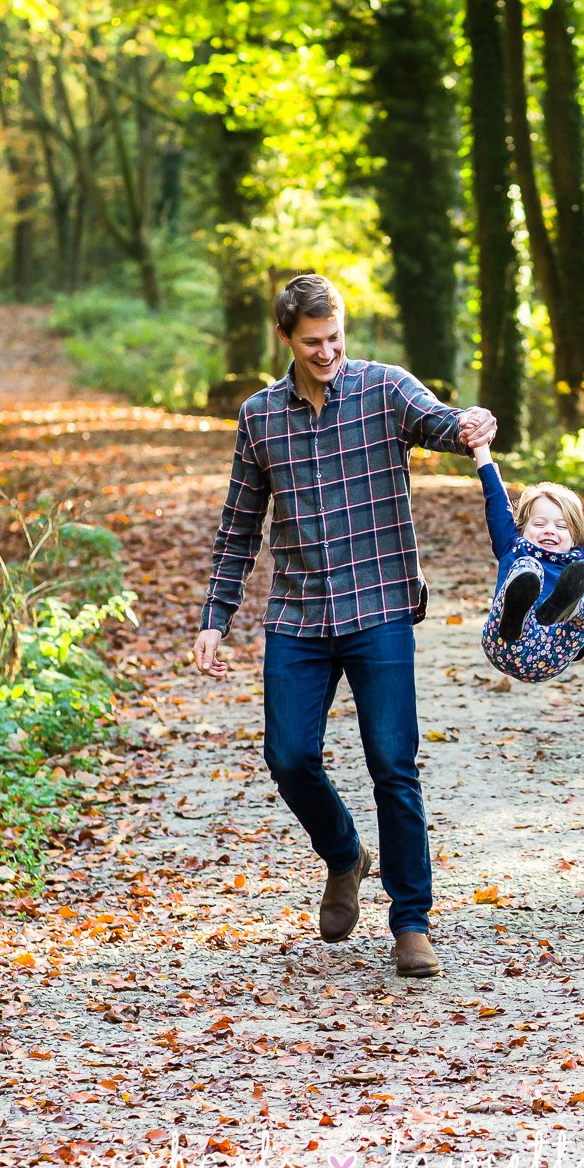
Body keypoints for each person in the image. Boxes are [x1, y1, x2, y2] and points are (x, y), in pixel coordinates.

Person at [191, 274, 498, 979]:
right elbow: (239, 524)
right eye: (312, 342)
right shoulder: (260, 416)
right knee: (289, 755)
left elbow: (437, 421)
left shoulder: (384, 389)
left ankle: (411, 920)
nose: (327, 351)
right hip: (298, 612)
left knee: (393, 761)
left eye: (335, 338)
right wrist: (216, 617)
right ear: (286, 340)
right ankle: (344, 854)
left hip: (380, 604)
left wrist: (471, 424)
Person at [471, 441, 584, 683]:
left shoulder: (581, 561)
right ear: (522, 527)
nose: (550, 531)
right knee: (528, 568)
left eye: (561, 526)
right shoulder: (512, 546)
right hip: (503, 642)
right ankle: (516, 616)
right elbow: (494, 495)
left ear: (575, 535)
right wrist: (481, 448)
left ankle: (563, 609)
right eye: (540, 524)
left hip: (551, 655)